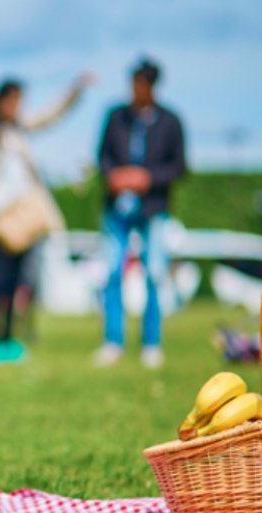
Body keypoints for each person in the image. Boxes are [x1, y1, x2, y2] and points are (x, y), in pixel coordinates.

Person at [0, 73, 94, 363]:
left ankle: (8, 338)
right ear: (1, 100)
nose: (17, 107)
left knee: (17, 283)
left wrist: (75, 91)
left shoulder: (17, 129)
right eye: (13, 101)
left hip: (23, 215)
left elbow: (50, 116)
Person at [92, 58, 187, 369]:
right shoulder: (115, 117)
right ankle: (112, 342)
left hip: (153, 207)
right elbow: (102, 156)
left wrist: (148, 178)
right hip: (116, 207)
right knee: (111, 274)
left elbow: (179, 167)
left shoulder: (171, 121)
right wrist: (114, 176)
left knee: (155, 273)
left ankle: (151, 343)